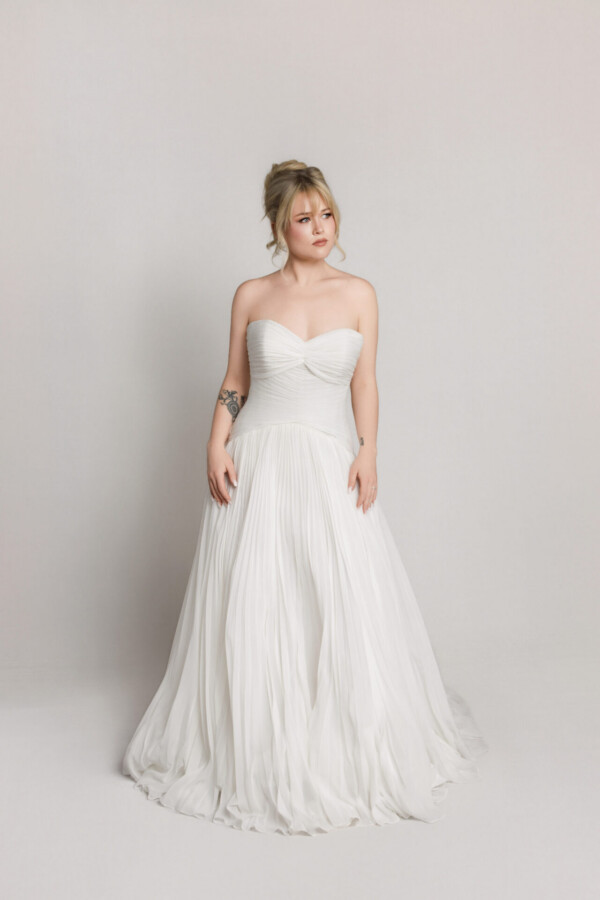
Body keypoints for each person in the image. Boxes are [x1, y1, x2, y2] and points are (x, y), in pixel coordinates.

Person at [122, 159, 488, 836]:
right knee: (258, 598)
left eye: (327, 215)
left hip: (326, 462)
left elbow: (365, 382)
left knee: (337, 597)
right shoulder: (251, 295)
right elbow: (235, 380)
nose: (320, 228)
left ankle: (342, 742)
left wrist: (367, 450)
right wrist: (215, 442)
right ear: (277, 226)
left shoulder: (359, 294)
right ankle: (255, 743)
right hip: (257, 462)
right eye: (303, 218)